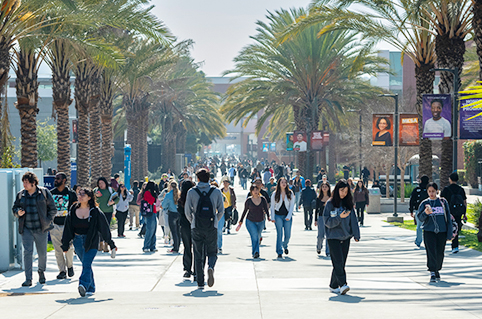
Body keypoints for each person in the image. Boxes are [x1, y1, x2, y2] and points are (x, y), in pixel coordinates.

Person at [61, 188, 117, 297]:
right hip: (77, 240)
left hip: (91, 241)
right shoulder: (73, 209)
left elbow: (104, 228)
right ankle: (91, 287)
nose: (80, 196)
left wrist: (111, 244)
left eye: (83, 194)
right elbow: (68, 227)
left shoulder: (95, 211)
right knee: (86, 264)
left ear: (89, 197)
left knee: (86, 263)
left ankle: (83, 284)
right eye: (79, 194)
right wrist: (65, 244)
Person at [12, 172, 57, 287]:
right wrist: (18, 212)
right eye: (23, 182)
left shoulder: (44, 193)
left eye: (26, 182)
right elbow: (14, 208)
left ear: (33, 183)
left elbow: (53, 208)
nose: (24, 185)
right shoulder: (21, 195)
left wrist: (48, 221)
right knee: (27, 253)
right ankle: (28, 279)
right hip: (26, 228)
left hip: (41, 228)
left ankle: (41, 271)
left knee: (42, 253)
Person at [185, 168, 225, 289]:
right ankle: (211, 267)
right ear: (209, 178)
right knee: (212, 252)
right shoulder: (216, 191)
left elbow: (187, 211)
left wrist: (193, 222)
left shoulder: (192, 192)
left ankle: (200, 281)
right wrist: (215, 221)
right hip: (211, 226)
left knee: (198, 253)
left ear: (197, 178)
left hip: (196, 226)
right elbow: (221, 210)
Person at [323, 180, 360, 295]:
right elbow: (327, 222)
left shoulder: (348, 204)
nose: (343, 193)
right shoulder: (330, 204)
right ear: (337, 190)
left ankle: (333, 285)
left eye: (346, 191)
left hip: (346, 237)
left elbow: (353, 220)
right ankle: (343, 284)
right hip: (333, 237)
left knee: (341, 263)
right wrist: (339, 217)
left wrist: (356, 234)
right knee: (337, 262)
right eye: (341, 190)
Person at [417, 182, 452, 282]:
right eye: (429, 191)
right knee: (431, 251)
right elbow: (420, 218)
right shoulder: (424, 203)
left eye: (433, 191)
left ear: (437, 191)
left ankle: (437, 269)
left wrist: (449, 233)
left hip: (442, 232)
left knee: (440, 253)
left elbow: (448, 218)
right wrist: (425, 213)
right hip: (429, 231)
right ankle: (432, 271)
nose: (431, 193)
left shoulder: (443, 202)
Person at [50, 172, 77, 280]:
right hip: (55, 225)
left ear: (64, 180)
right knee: (58, 250)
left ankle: (70, 266)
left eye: (58, 178)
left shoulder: (71, 194)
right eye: (55, 178)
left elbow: (75, 209)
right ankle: (62, 271)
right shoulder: (51, 193)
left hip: (68, 226)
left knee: (69, 248)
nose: (55, 180)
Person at [236, 185, 270, 258]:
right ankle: (256, 252)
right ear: (251, 191)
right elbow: (245, 211)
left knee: (257, 236)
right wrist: (241, 220)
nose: (255, 191)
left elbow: (266, 209)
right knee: (254, 236)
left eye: (257, 190)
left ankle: (254, 251)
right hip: (250, 221)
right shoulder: (248, 200)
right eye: (254, 190)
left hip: (261, 221)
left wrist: (269, 216)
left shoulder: (263, 199)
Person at [441, 172, 467, 254]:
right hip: (458, 212)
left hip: (449, 212)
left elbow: (441, 201)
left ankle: (442, 245)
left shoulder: (446, 189)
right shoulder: (461, 189)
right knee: (456, 228)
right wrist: (464, 213)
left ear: (450, 179)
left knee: (445, 227)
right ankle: (455, 246)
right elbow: (464, 202)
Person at [270, 177, 296, 259]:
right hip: (278, 216)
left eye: (285, 182)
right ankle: (279, 251)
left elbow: (292, 206)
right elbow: (272, 206)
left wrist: (289, 216)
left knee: (287, 234)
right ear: (279, 184)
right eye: (282, 182)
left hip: (287, 215)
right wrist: (272, 217)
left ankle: (285, 245)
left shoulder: (290, 193)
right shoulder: (275, 194)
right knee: (279, 233)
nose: (284, 183)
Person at [93, 177, 119, 252]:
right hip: (98, 212)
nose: (101, 185)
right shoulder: (96, 190)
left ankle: (106, 245)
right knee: (98, 228)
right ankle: (100, 244)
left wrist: (112, 202)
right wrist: (95, 195)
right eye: (99, 183)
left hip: (108, 211)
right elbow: (89, 198)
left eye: (102, 183)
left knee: (106, 228)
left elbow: (117, 198)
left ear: (105, 183)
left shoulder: (110, 190)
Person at [178, 179, 196, 279]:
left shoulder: (180, 201)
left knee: (187, 247)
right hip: (196, 225)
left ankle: (187, 269)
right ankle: (197, 268)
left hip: (184, 225)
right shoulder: (195, 198)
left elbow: (180, 213)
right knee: (197, 248)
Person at [409, 175, 429, 248]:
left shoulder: (417, 189)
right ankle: (428, 241)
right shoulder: (429, 189)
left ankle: (418, 241)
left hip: (419, 210)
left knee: (419, 226)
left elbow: (412, 200)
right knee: (428, 226)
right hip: (429, 210)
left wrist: (411, 210)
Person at [163, 181, 181, 253]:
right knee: (178, 231)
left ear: (170, 186)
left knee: (173, 232)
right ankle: (177, 246)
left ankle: (175, 248)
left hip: (172, 214)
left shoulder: (168, 195)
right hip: (179, 214)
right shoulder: (179, 194)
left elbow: (164, 205)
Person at [141, 181, 159, 252]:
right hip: (149, 213)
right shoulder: (147, 193)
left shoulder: (152, 193)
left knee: (154, 230)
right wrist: (154, 196)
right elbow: (151, 201)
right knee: (149, 230)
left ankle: (152, 246)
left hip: (153, 212)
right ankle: (146, 246)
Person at [315, 181, 331, 256]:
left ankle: (328, 251)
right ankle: (319, 247)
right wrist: (315, 220)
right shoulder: (318, 198)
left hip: (329, 218)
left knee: (328, 235)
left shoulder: (331, 198)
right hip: (321, 217)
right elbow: (316, 210)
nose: (324, 188)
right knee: (320, 235)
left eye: (326, 187)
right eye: (323, 187)